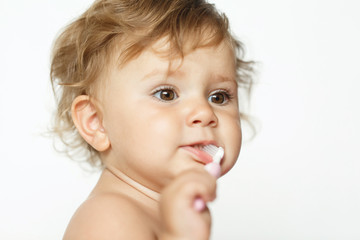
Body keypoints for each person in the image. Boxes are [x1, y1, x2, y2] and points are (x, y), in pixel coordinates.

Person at [50, 0, 253, 239]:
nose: (204, 113)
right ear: (96, 122)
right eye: (166, 94)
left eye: (218, 97)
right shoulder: (110, 217)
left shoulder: (166, 214)